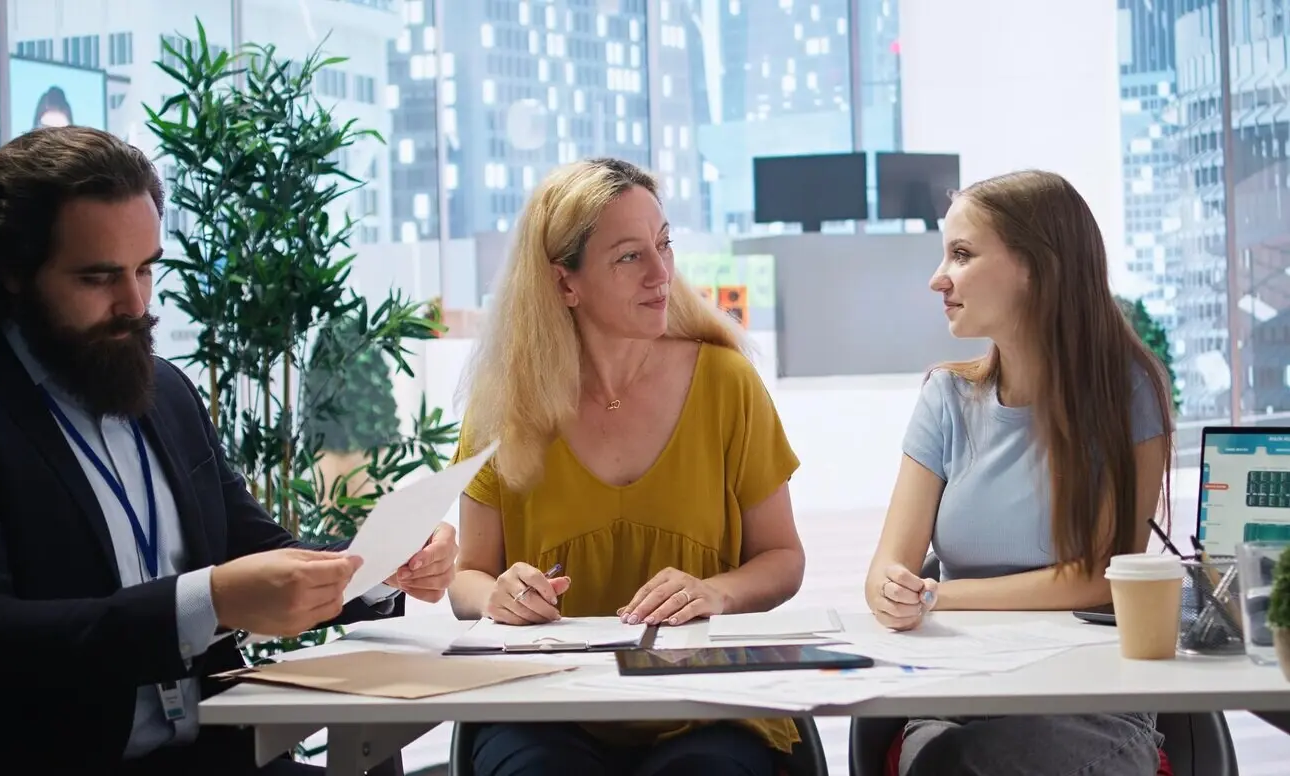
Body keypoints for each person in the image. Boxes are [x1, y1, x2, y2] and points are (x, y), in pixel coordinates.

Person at [0, 126, 459, 776]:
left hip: (216, 755)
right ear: (10, 277)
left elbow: (254, 547)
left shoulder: (163, 390)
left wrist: (381, 566)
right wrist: (208, 601)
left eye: (146, 268)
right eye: (98, 278)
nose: (136, 304)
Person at [446, 157, 807, 776]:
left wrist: (714, 591)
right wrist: (498, 595)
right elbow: (467, 580)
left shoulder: (727, 383)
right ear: (565, 284)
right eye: (629, 256)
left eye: (663, 245)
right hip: (546, 703)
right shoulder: (505, 405)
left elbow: (784, 559)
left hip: (708, 704)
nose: (662, 272)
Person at [865, 170, 1175, 776]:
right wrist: (893, 591)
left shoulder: (1130, 392)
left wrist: (939, 596)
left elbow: (1098, 577)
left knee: (990, 763)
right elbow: (888, 567)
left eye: (962, 254)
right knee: (947, 759)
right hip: (959, 694)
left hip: (1089, 702)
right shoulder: (945, 397)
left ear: (1035, 267)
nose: (938, 278)